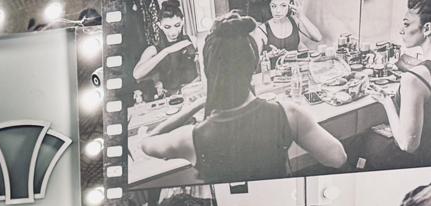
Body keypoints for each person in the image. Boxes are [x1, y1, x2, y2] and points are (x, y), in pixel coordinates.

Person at [137, 16, 345, 185]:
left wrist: (198, 103)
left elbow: (146, 143)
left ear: (208, 69)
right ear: (253, 64)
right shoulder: (289, 114)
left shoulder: (191, 138)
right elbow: (338, 158)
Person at [358, 0, 431, 170]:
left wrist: (387, 102)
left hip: (418, 163)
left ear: (427, 29)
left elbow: (408, 145)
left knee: (362, 142)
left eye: (406, 24)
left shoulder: (414, 79)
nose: (401, 30)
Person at [134, 1, 201, 99]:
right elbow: (137, 74)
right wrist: (167, 51)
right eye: (167, 27)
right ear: (159, 25)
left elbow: (204, 72)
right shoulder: (153, 50)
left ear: (183, 21)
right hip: (170, 100)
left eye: (177, 25)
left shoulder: (192, 41)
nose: (173, 32)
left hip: (193, 95)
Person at [256, 0, 321, 54]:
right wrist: (268, 56)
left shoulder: (295, 21)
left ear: (290, 6)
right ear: (269, 6)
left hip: (296, 65)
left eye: (283, 5)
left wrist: (301, 16)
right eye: (274, 6)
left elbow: (318, 38)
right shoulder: (262, 29)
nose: (278, 10)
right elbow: (255, 61)